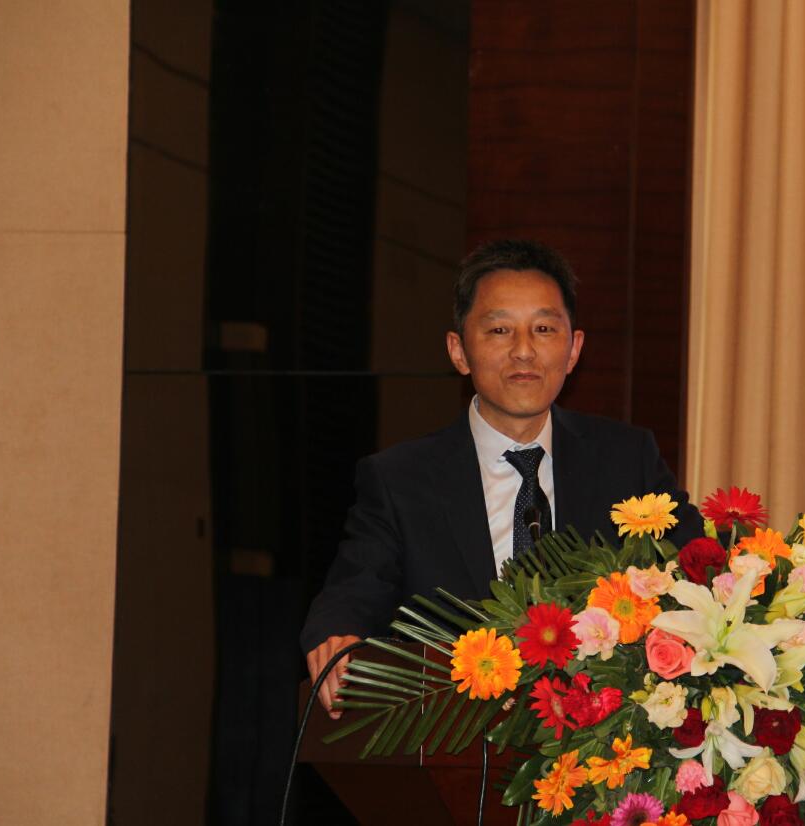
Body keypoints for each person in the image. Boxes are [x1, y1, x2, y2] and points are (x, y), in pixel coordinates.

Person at [301, 239, 702, 717]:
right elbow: (354, 589)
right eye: (499, 330)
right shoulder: (400, 480)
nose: (524, 351)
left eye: (544, 329)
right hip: (454, 734)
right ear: (459, 351)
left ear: (574, 349)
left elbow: (698, 566)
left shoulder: (625, 459)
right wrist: (337, 634)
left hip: (603, 738)